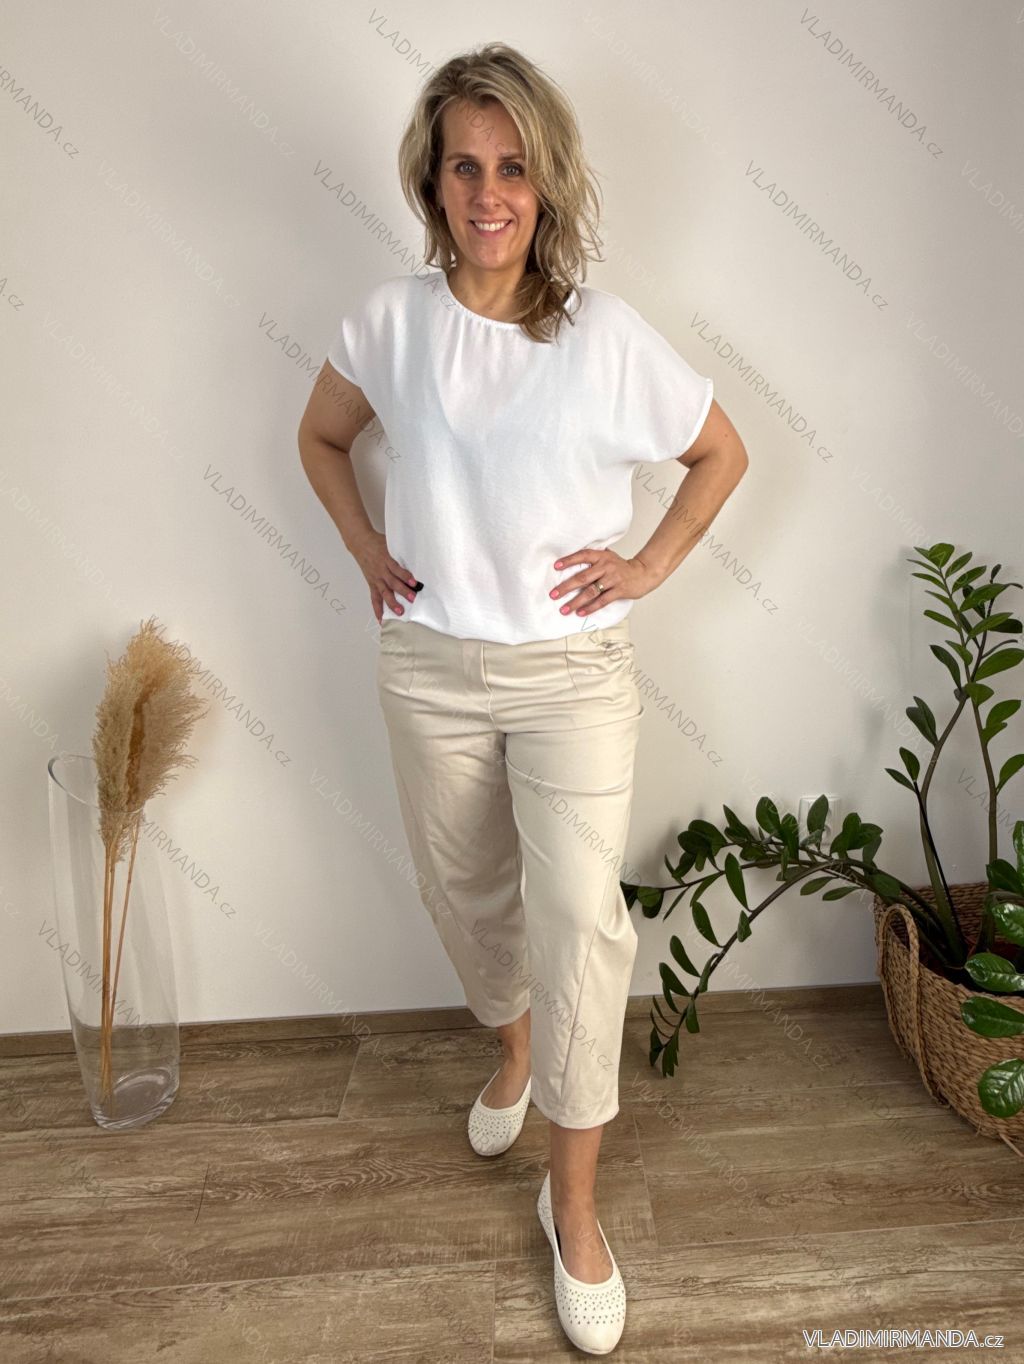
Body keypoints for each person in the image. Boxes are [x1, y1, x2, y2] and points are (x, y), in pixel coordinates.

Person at [298, 40, 748, 1356]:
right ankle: (513, 1046)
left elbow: (721, 452)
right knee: (464, 892)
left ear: (545, 182)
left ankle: (576, 1203)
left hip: (572, 677)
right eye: (463, 167)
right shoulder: (388, 323)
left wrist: (648, 564)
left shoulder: (602, 336)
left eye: (512, 168)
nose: (488, 193)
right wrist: (366, 548)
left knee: (581, 926)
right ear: (430, 183)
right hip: (430, 664)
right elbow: (321, 437)